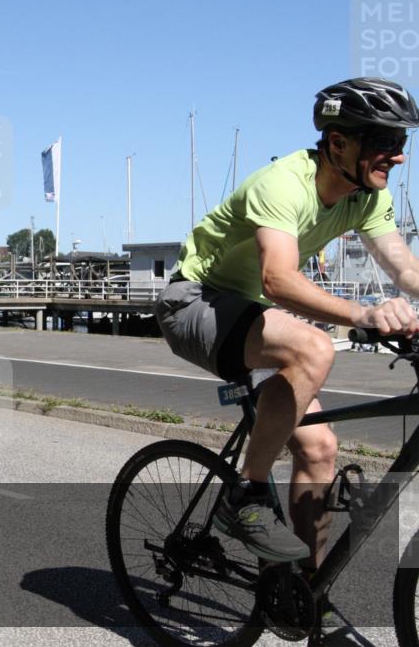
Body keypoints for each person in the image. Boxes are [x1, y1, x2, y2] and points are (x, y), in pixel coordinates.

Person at [156, 77, 419, 573]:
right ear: (338, 143)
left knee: (319, 448)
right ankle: (246, 495)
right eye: (385, 142)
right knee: (314, 348)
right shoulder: (283, 183)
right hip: (194, 300)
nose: (399, 156)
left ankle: (302, 591)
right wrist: (365, 313)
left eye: (402, 143)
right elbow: (278, 279)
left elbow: (405, 269)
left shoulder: (366, 196)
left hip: (253, 315)